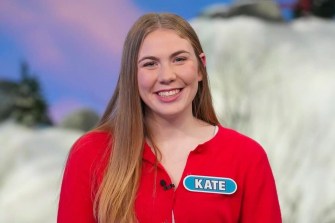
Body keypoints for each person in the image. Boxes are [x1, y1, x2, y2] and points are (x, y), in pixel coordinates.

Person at [57, 13, 282, 223]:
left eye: (179, 59)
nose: (167, 76)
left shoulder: (246, 157)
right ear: (131, 75)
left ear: (201, 68)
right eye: (150, 64)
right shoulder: (90, 153)